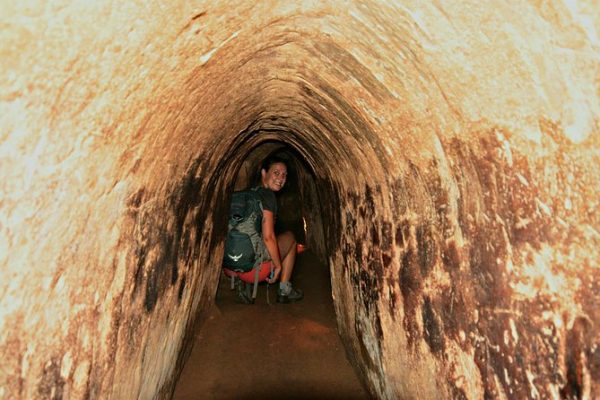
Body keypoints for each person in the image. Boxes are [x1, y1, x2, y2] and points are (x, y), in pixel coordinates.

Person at [255, 155, 303, 303]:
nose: (281, 178)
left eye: (284, 175)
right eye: (276, 173)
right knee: (291, 238)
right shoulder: (268, 196)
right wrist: (277, 266)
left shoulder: (249, 193)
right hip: (255, 267)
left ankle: (240, 286)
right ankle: (284, 289)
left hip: (234, 265)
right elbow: (268, 237)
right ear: (264, 173)